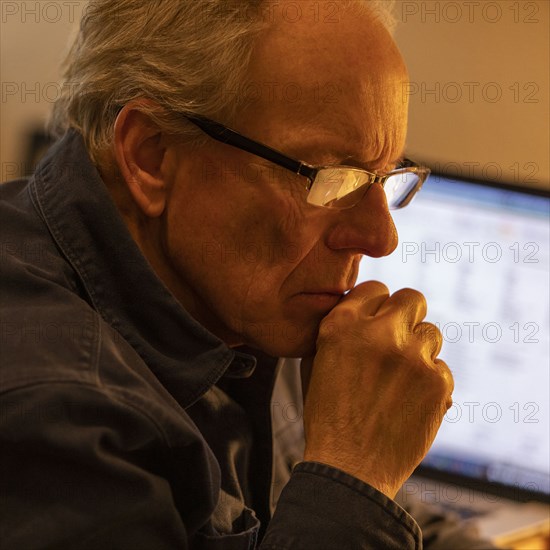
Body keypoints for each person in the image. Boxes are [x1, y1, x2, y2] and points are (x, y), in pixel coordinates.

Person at [0, 1, 497, 548]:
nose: (381, 239)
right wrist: (357, 472)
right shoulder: (55, 414)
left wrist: (366, 474)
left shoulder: (244, 294)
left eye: (383, 177)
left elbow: (382, 511)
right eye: (332, 179)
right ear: (151, 156)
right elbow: (350, 496)